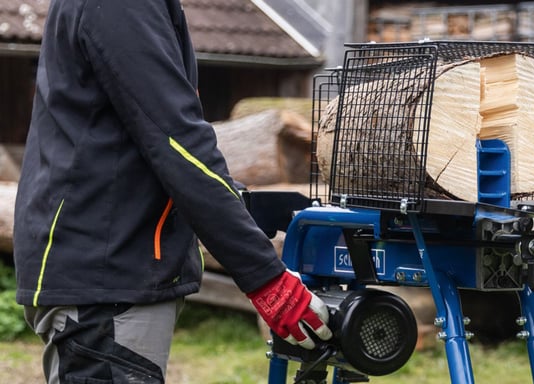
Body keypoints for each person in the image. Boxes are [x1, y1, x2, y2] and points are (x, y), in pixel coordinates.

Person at [13, 1, 332, 382]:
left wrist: (241, 204)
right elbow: (176, 142)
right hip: (107, 277)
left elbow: (137, 139)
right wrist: (266, 279)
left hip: (108, 267)